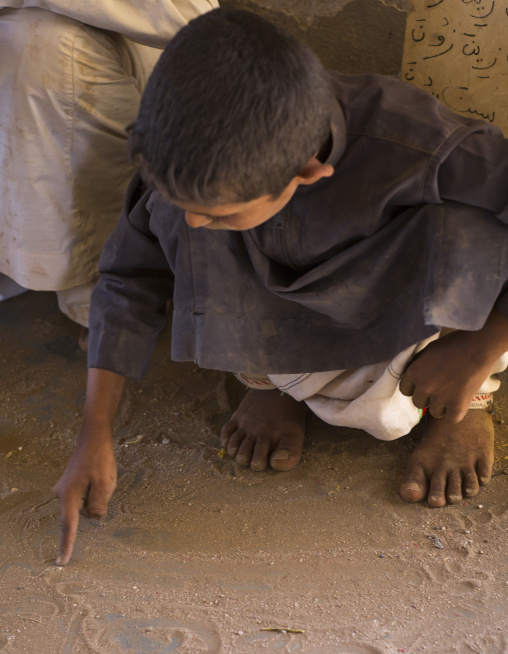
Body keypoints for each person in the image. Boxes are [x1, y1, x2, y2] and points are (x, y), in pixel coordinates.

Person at [54, 7, 508, 565]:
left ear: (307, 173)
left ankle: (471, 400)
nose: (195, 228)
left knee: (475, 219)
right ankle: (267, 382)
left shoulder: (421, 144)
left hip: (395, 291)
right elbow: (128, 278)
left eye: (221, 213)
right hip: (284, 293)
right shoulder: (183, 163)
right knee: (170, 216)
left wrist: (477, 348)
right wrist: (94, 431)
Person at [0, 0, 217, 330]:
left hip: (126, 49)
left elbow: (189, 15)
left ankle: (109, 281)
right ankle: (18, 255)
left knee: (48, 44)